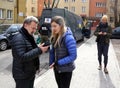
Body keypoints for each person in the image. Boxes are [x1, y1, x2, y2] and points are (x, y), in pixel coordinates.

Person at [10, 16, 49, 88]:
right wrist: (39, 50)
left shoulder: (28, 36)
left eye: (35, 29)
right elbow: (21, 57)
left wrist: (37, 47)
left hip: (29, 73)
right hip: (22, 76)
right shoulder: (19, 38)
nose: (34, 31)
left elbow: (29, 51)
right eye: (33, 28)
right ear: (25, 25)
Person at [49, 16, 77, 88]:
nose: (53, 28)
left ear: (61, 25)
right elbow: (52, 51)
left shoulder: (68, 38)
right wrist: (51, 62)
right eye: (52, 26)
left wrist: (58, 62)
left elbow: (73, 56)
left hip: (66, 70)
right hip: (57, 69)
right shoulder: (54, 36)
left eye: (55, 26)